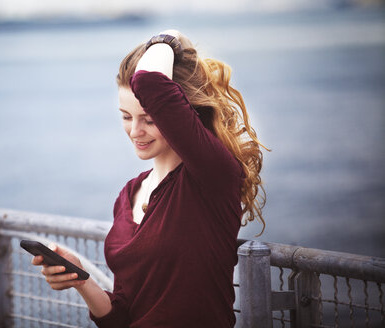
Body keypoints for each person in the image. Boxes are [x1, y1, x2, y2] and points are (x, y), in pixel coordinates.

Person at [32, 29, 267, 327]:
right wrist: (81, 280)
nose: (134, 132)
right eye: (126, 117)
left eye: (150, 119)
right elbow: (121, 317)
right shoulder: (129, 194)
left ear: (181, 113)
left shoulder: (212, 175)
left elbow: (149, 82)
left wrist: (169, 36)